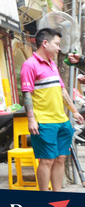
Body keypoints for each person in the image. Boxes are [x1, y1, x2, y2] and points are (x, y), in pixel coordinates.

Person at [20, 28, 84, 191]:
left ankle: (58, 196)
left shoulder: (53, 65)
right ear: (45, 43)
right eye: (56, 44)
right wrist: (31, 119)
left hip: (62, 121)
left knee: (61, 158)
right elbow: (26, 94)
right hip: (44, 122)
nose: (58, 48)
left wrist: (74, 111)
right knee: (47, 160)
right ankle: (44, 199)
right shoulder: (30, 65)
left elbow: (62, 90)